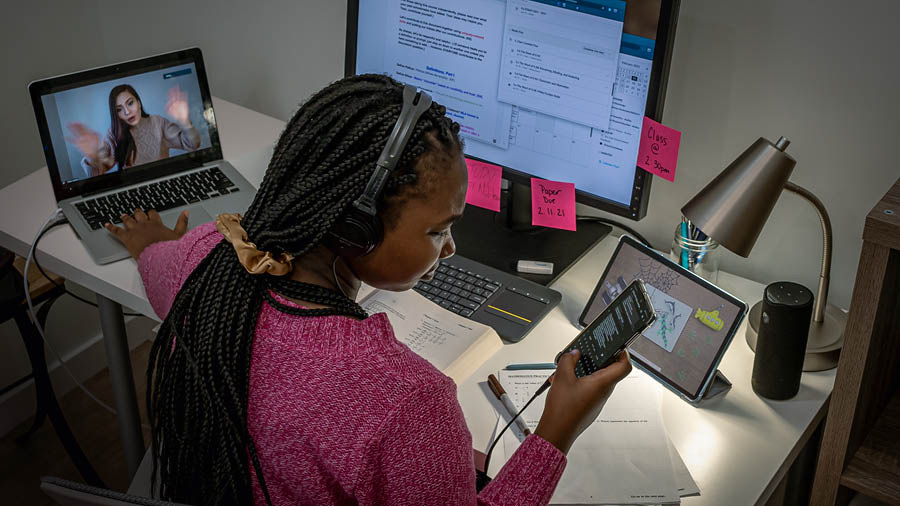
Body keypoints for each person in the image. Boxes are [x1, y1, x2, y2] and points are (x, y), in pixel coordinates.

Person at [105, 74, 632, 506]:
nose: (449, 249)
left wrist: (148, 243)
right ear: (357, 226)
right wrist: (554, 434)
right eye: (436, 230)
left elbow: (158, 267)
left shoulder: (204, 260)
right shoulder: (410, 405)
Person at [66, 84, 200, 178]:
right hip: (131, 189)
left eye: (130, 103)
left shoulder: (158, 122)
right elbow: (95, 174)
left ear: (139, 102)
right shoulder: (113, 134)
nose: (127, 112)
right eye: (119, 109)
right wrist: (92, 156)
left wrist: (184, 120)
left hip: (164, 180)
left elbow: (192, 144)